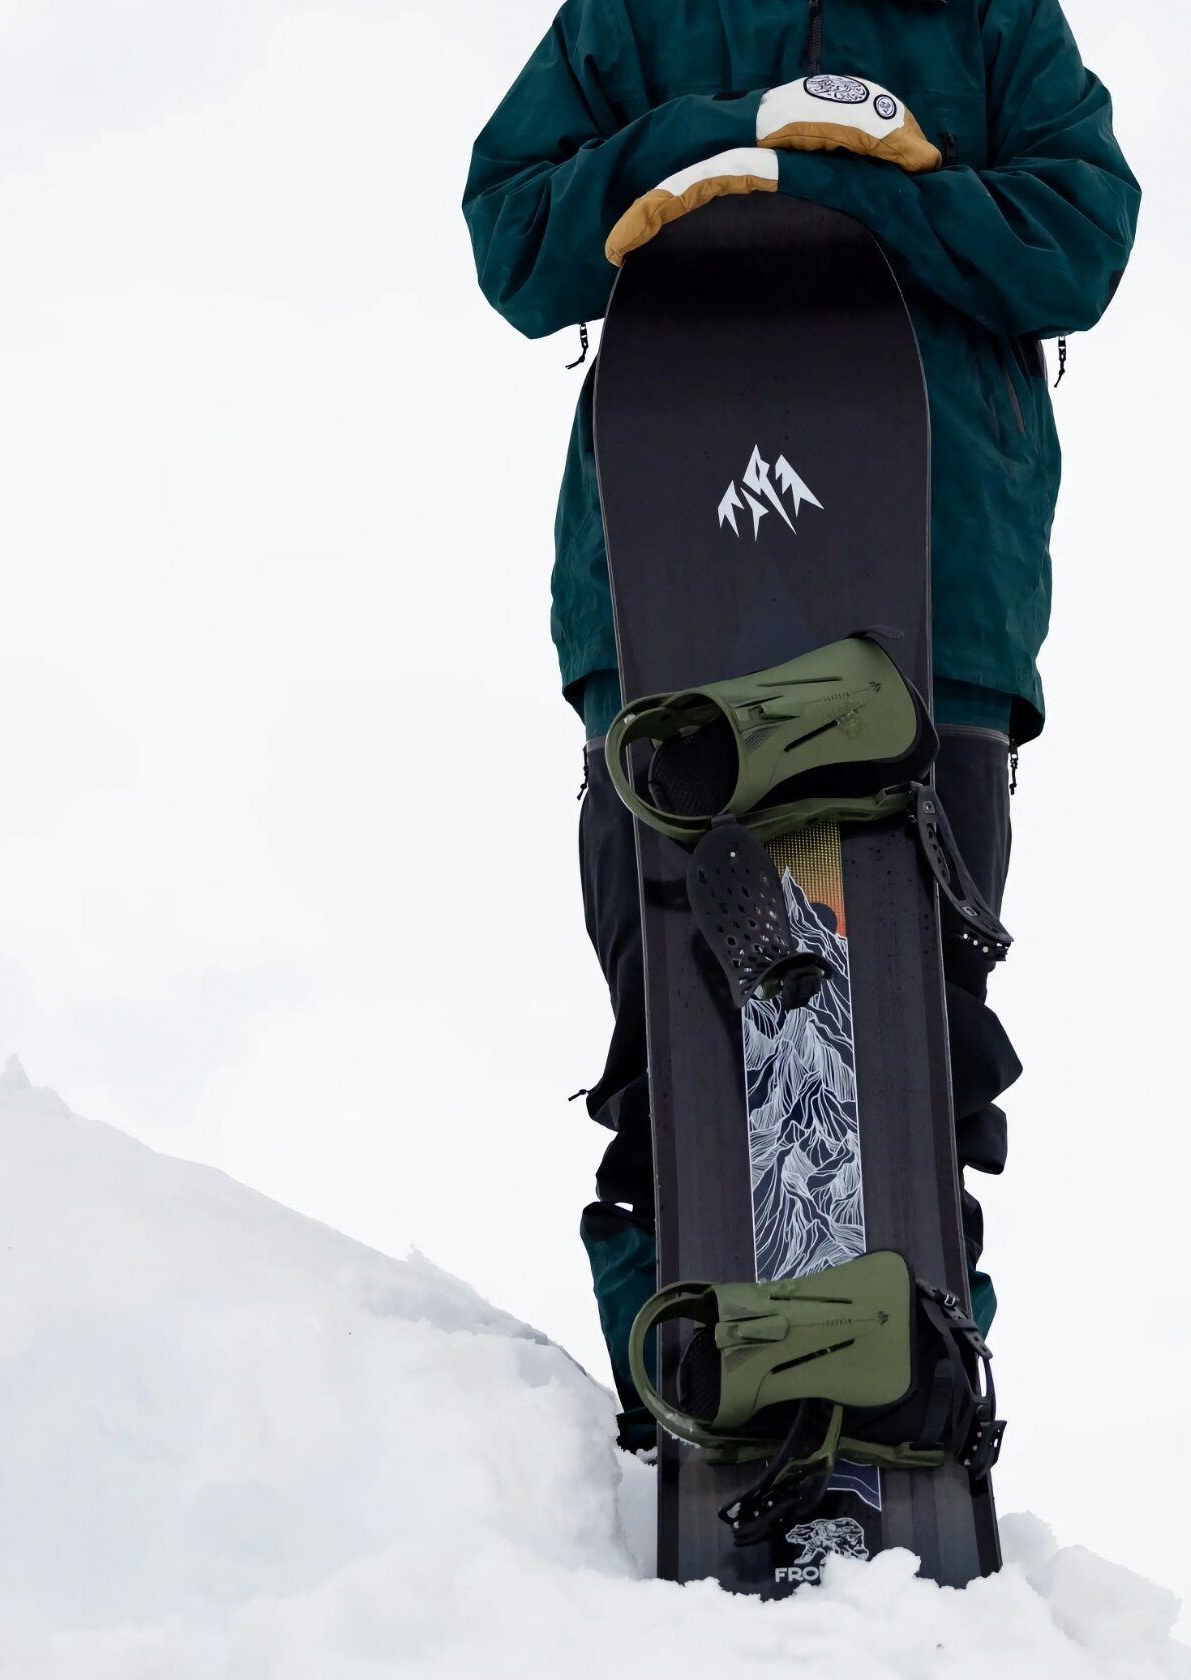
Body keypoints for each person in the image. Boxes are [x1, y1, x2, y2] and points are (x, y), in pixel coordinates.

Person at [464, 0, 1140, 1452]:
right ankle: (699, 1387)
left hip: (931, 601)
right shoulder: (634, 18)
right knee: (685, 1024)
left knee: (908, 1024)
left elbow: (1077, 240)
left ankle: (902, 1376)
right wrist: (728, 137)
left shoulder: (990, 19)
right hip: (674, 596)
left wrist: (826, 185)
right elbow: (515, 239)